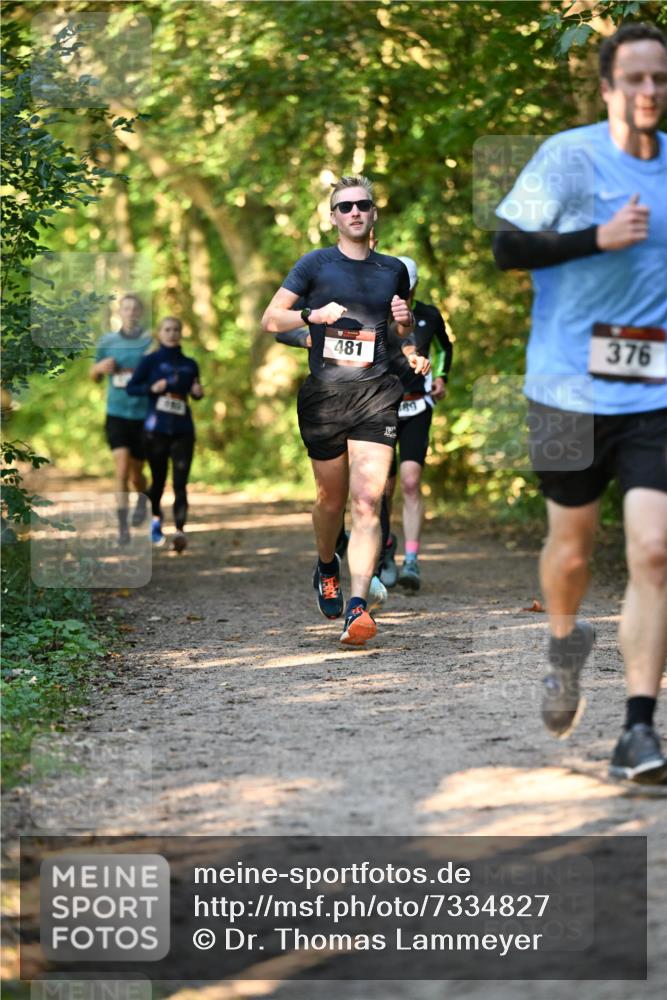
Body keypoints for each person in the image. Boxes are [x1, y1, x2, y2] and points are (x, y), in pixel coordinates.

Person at [493, 22, 667, 783]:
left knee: (654, 551)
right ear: (606, 88)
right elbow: (506, 248)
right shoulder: (567, 156)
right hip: (563, 385)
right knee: (568, 552)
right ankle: (563, 643)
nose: (648, 91)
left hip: (652, 388)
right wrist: (595, 238)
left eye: (658, 77)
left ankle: (637, 730)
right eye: (632, 78)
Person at [262, 175, 429, 646]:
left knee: (366, 502)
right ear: (333, 217)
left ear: (374, 214)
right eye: (345, 206)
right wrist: (311, 316)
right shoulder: (314, 265)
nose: (355, 212)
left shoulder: (393, 269)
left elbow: (401, 336)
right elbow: (270, 319)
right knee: (330, 502)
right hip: (325, 400)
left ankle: (358, 605)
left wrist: (406, 332)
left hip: (377, 395)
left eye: (363, 205)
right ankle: (325, 563)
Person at [379, 256, 453, 592]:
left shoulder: (429, 314)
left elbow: (445, 349)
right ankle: (383, 551)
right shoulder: (377, 313)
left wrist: (442, 378)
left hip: (417, 407)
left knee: (410, 481)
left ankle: (411, 560)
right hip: (380, 409)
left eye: (408, 287)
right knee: (383, 488)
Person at [126, 317, 203, 552]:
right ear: (159, 334)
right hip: (156, 430)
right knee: (158, 481)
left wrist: (197, 391)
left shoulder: (190, 364)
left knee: (180, 483)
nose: (172, 333)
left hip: (183, 430)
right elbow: (131, 388)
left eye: (176, 330)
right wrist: (151, 388)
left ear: (181, 334)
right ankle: (156, 519)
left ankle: (180, 532)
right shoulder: (150, 361)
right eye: (167, 330)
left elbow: (197, 391)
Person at [90, 293, 152, 544]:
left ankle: (142, 496)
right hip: (116, 414)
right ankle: (122, 526)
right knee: (122, 469)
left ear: (140, 313)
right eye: (126, 308)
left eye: (135, 309)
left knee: (137, 474)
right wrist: (99, 367)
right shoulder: (107, 342)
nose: (131, 313)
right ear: (120, 313)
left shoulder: (150, 342)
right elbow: (93, 375)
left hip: (143, 414)